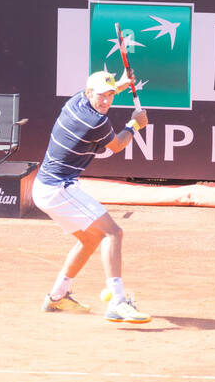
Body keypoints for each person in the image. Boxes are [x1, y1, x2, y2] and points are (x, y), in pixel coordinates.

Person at [34, 69, 153, 325]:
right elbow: (118, 145)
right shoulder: (95, 122)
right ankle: (118, 303)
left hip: (45, 187)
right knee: (113, 233)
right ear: (89, 93)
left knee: (91, 240)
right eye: (101, 96)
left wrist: (121, 84)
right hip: (58, 188)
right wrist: (135, 124)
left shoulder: (76, 100)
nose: (106, 101)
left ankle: (57, 296)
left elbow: (105, 92)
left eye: (110, 95)